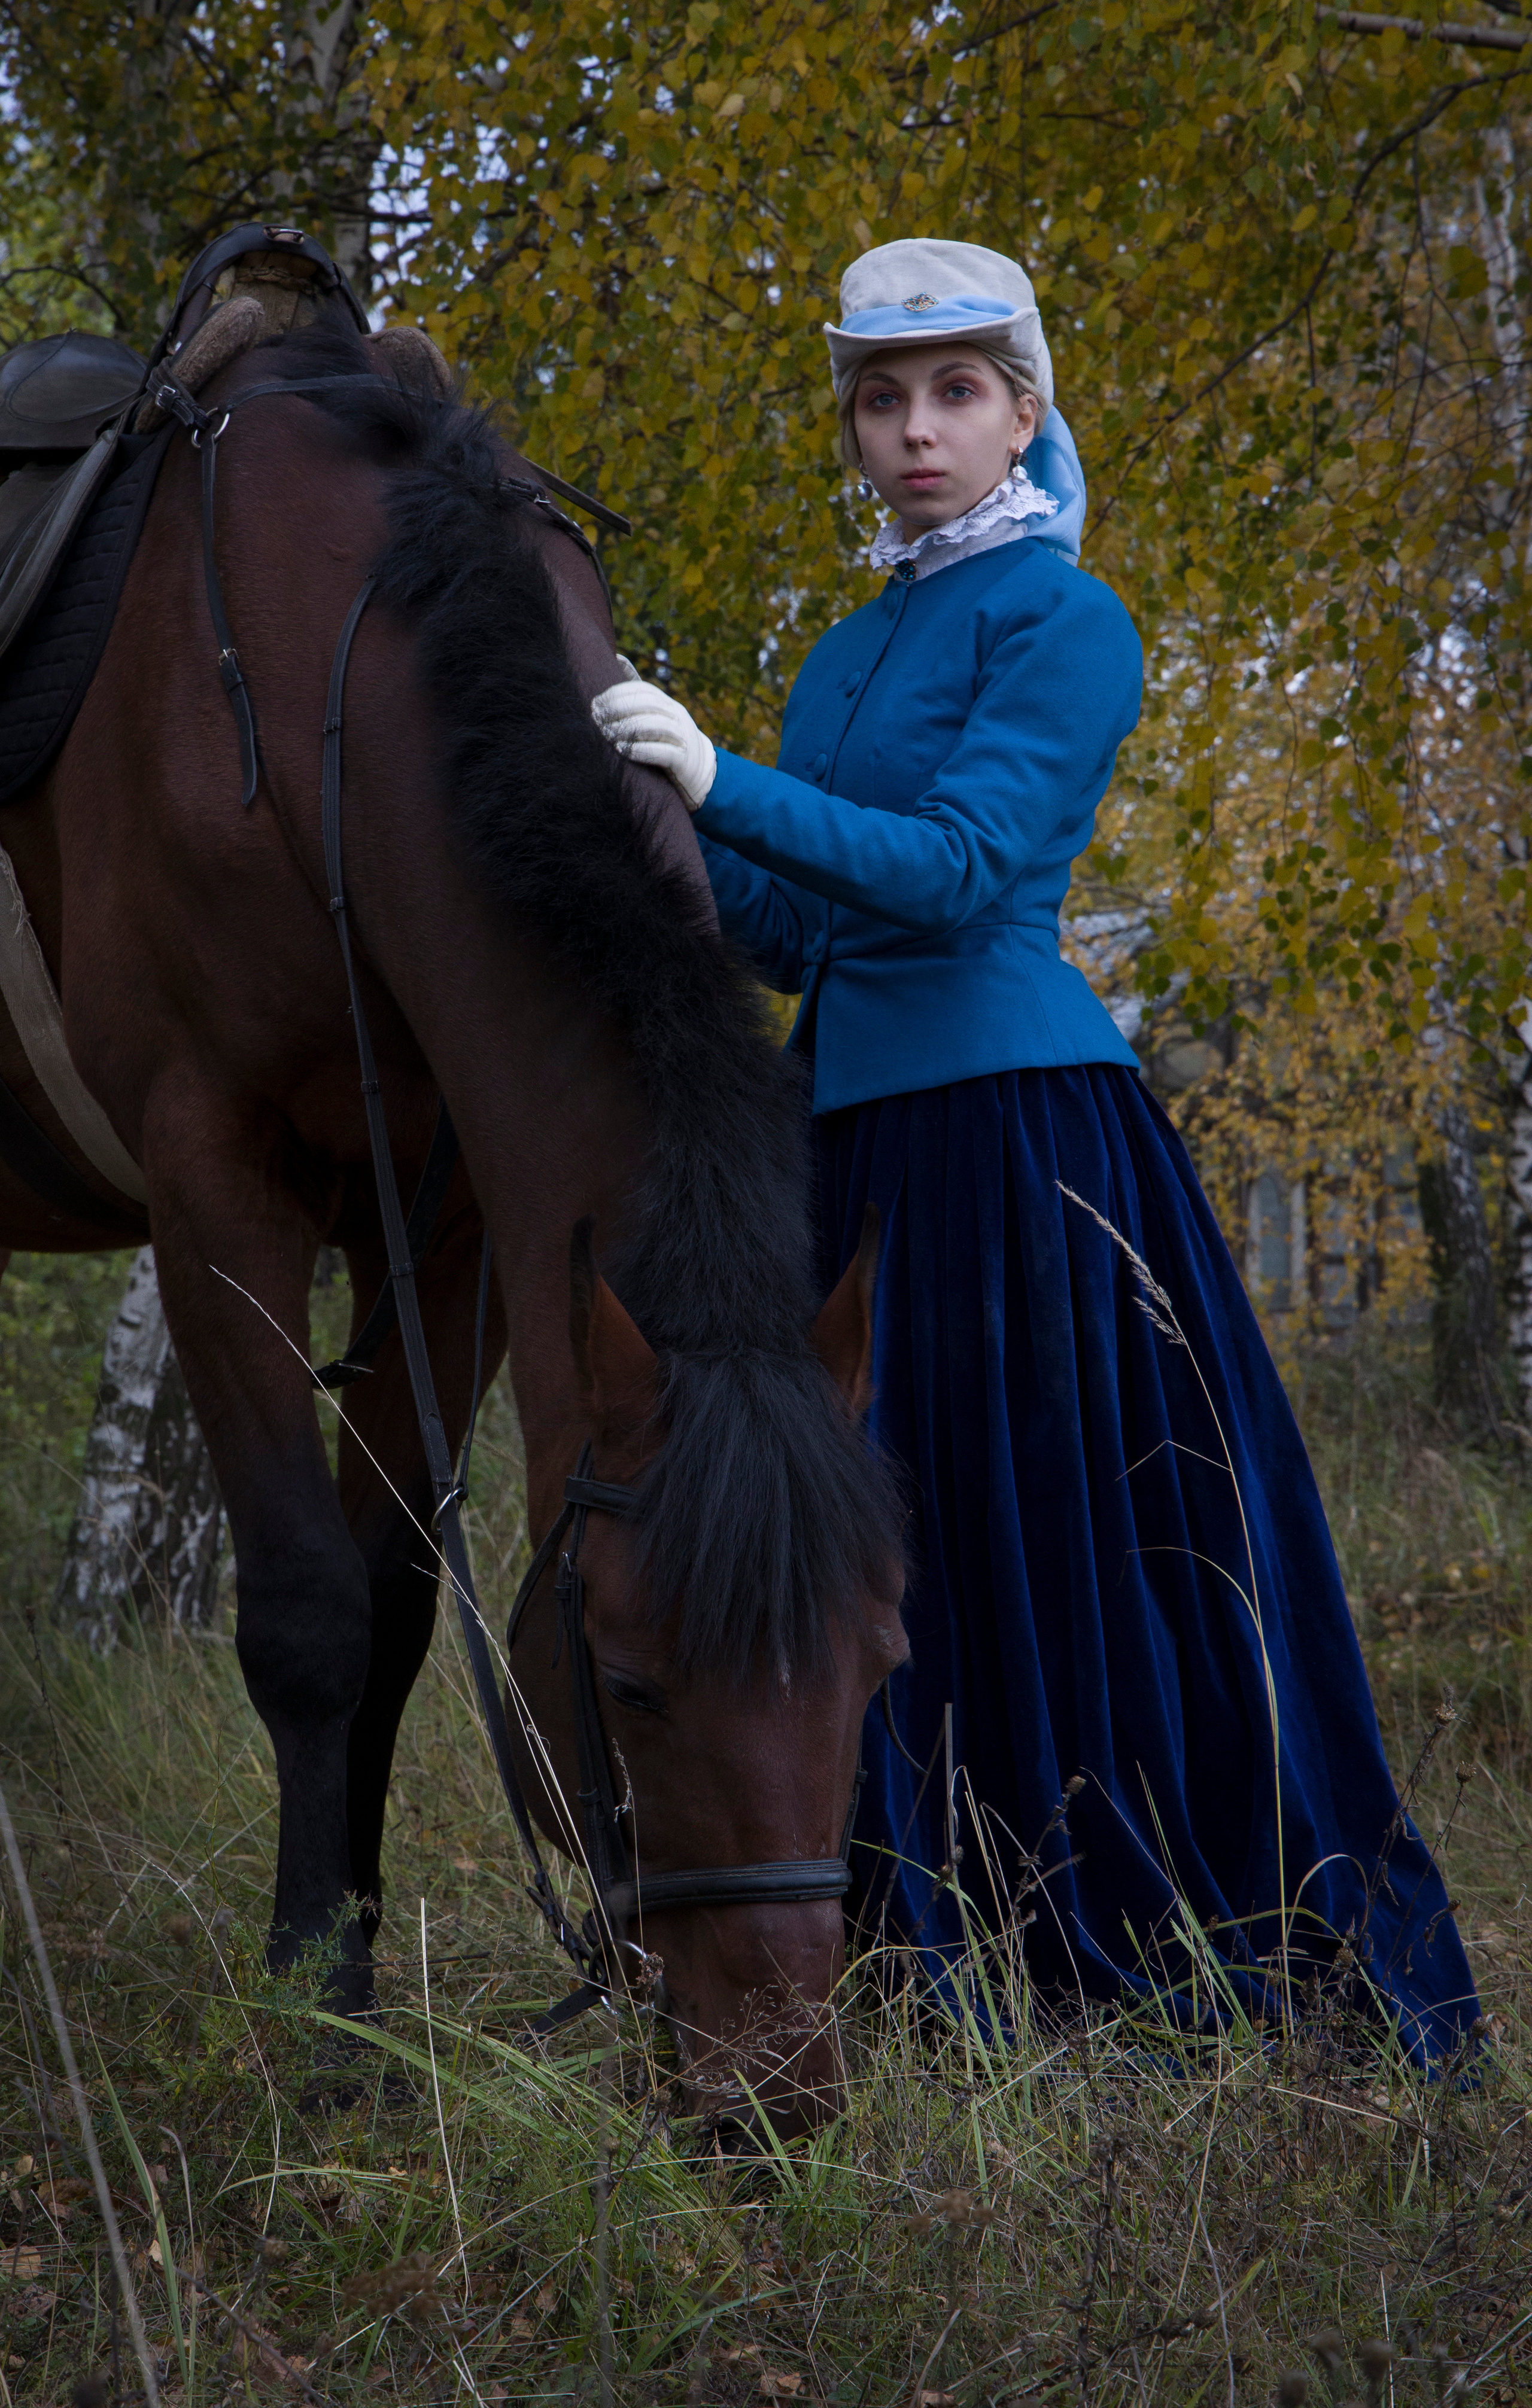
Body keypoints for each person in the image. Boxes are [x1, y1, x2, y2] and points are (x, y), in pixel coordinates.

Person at [591, 238, 1478, 2061]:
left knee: (1049, 1549)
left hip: (1020, 1149)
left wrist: (718, 777)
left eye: (957, 392)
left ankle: (1109, 1952)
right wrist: (640, 817)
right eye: (882, 396)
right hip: (842, 1157)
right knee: (865, 1577)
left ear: (1024, 412)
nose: (915, 429)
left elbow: (967, 870)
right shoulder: (848, 647)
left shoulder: (1069, 622)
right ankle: (904, 1953)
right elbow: (786, 924)